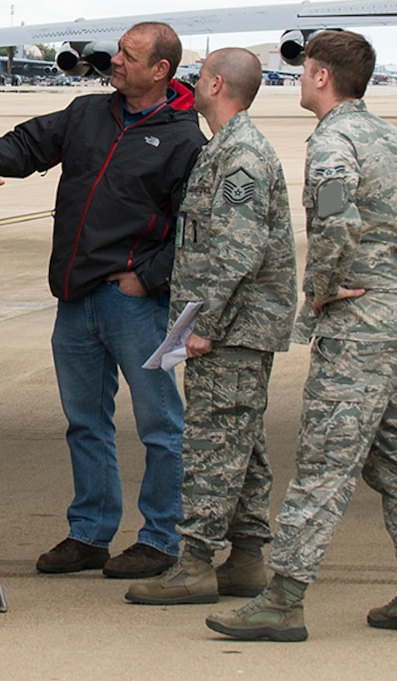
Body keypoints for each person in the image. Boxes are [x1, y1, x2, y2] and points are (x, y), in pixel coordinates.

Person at [207, 30, 397, 644]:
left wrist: (324, 286)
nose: (299, 78)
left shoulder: (334, 141)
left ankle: (283, 601)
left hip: (360, 331)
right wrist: (395, 264)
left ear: (321, 76)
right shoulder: (390, 137)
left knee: (324, 462)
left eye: (304, 68)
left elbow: (337, 216)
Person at [0, 22, 203, 580]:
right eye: (118, 50)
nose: (114, 60)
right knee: (84, 423)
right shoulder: (89, 113)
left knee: (161, 426)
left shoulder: (185, 140)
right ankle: (91, 534)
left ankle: (161, 538)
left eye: (128, 55)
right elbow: (29, 142)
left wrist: (146, 278)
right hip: (75, 302)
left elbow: (196, 232)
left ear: (160, 71)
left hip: (136, 307)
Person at [124, 47, 296, 607]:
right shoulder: (225, 148)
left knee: (211, 443)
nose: (191, 84)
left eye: (199, 77)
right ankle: (246, 558)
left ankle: (194, 563)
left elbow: (238, 249)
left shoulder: (240, 154)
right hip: (233, 327)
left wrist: (204, 326)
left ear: (218, 85)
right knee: (240, 443)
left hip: (232, 331)